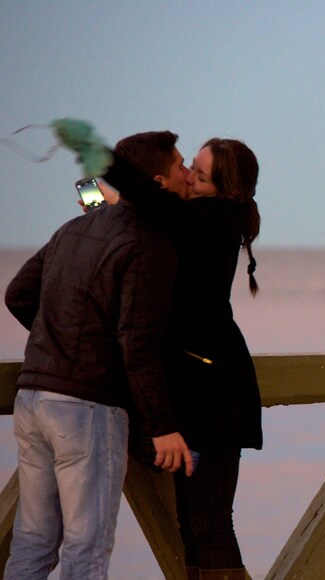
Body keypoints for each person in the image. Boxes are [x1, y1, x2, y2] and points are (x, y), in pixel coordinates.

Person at [4, 130, 195, 579]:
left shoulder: (75, 228)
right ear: (158, 182)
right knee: (86, 549)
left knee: (32, 541)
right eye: (181, 165)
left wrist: (59, 342)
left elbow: (18, 295)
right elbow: (138, 342)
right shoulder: (149, 243)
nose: (188, 174)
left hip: (33, 397)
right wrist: (163, 426)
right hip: (87, 408)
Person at [112, 137, 263, 580]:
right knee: (193, 526)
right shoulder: (196, 221)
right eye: (191, 166)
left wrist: (108, 164)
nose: (189, 176)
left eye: (200, 173)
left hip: (215, 393)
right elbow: (151, 218)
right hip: (197, 387)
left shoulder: (214, 219)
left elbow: (157, 208)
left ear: (225, 189)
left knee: (211, 524)